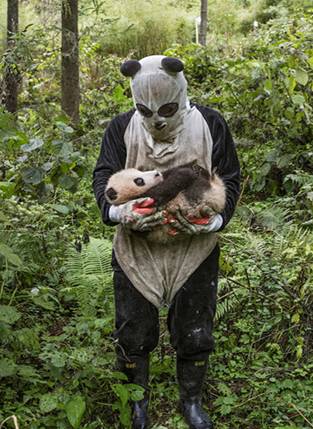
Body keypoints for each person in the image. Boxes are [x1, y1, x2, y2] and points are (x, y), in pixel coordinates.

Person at [92, 55, 240, 429]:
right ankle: (136, 404)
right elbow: (103, 177)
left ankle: (191, 400)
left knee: (195, 330)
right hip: (136, 250)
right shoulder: (121, 127)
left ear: (181, 91)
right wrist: (117, 213)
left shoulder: (211, 124)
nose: (156, 119)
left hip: (194, 251)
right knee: (133, 330)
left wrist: (215, 221)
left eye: (166, 109)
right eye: (145, 110)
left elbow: (232, 177)